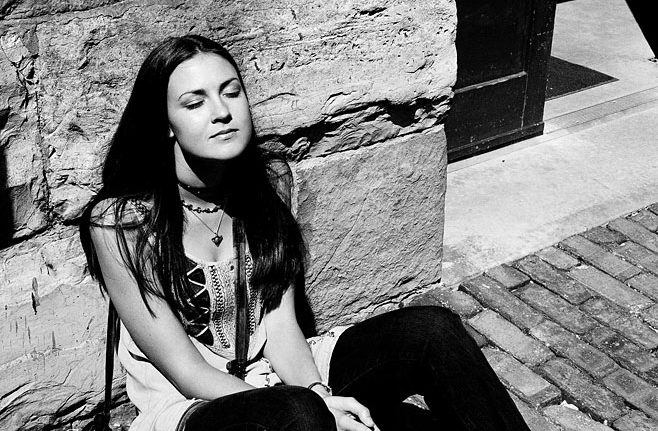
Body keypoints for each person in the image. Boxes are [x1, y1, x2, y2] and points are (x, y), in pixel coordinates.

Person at [80, 34, 531, 431]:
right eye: (195, 103)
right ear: (165, 126)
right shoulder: (122, 223)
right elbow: (184, 369)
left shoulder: (267, 181)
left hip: (281, 376)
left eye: (231, 93)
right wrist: (314, 404)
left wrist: (319, 391)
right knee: (299, 414)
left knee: (434, 331)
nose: (221, 113)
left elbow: (279, 326)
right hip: (193, 405)